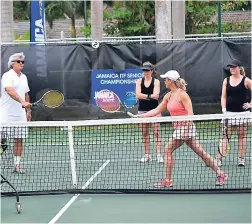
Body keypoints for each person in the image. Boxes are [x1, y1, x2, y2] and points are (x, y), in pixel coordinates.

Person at [135, 70, 228, 187]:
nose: (164, 81)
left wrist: (186, 130)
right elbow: (156, 110)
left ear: (171, 81)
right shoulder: (168, 96)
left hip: (185, 128)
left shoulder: (182, 94)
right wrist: (140, 116)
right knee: (201, 153)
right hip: (179, 129)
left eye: (166, 79)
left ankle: (168, 181)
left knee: (167, 150)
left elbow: (190, 113)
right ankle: (221, 173)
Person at [216, 59, 252, 167]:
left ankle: (241, 159)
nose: (231, 68)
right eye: (230, 67)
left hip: (242, 114)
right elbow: (223, 97)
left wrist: (251, 104)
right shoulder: (226, 81)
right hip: (229, 114)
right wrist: (224, 111)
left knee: (242, 136)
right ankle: (218, 159)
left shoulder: (246, 81)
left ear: (239, 68)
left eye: (234, 67)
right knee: (225, 136)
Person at [0, 52, 31, 173]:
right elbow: (9, 90)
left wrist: (28, 110)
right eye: (19, 61)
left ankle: (17, 165)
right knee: (1, 140)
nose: (21, 63)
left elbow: (26, 94)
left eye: (23, 62)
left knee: (19, 140)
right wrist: (22, 102)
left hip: (20, 116)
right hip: (6, 114)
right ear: (12, 64)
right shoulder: (7, 76)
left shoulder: (24, 77)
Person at [136, 61, 163, 163]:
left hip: (155, 110)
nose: (145, 72)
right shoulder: (139, 81)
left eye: (147, 70)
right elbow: (138, 95)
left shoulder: (156, 82)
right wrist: (149, 96)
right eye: (144, 70)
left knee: (156, 133)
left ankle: (159, 154)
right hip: (142, 111)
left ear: (151, 71)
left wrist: (144, 96)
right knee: (145, 133)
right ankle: (147, 155)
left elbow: (156, 96)